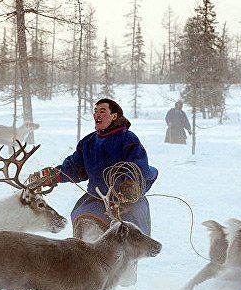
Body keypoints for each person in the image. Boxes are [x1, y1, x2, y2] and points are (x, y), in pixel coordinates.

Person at [30, 98, 158, 239]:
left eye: (102, 111)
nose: (97, 114)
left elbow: (138, 164)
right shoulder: (88, 142)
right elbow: (74, 168)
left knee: (131, 237)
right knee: (83, 222)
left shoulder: (127, 138)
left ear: (114, 116)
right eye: (95, 111)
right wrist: (50, 175)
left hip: (125, 201)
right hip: (96, 199)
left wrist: (130, 184)